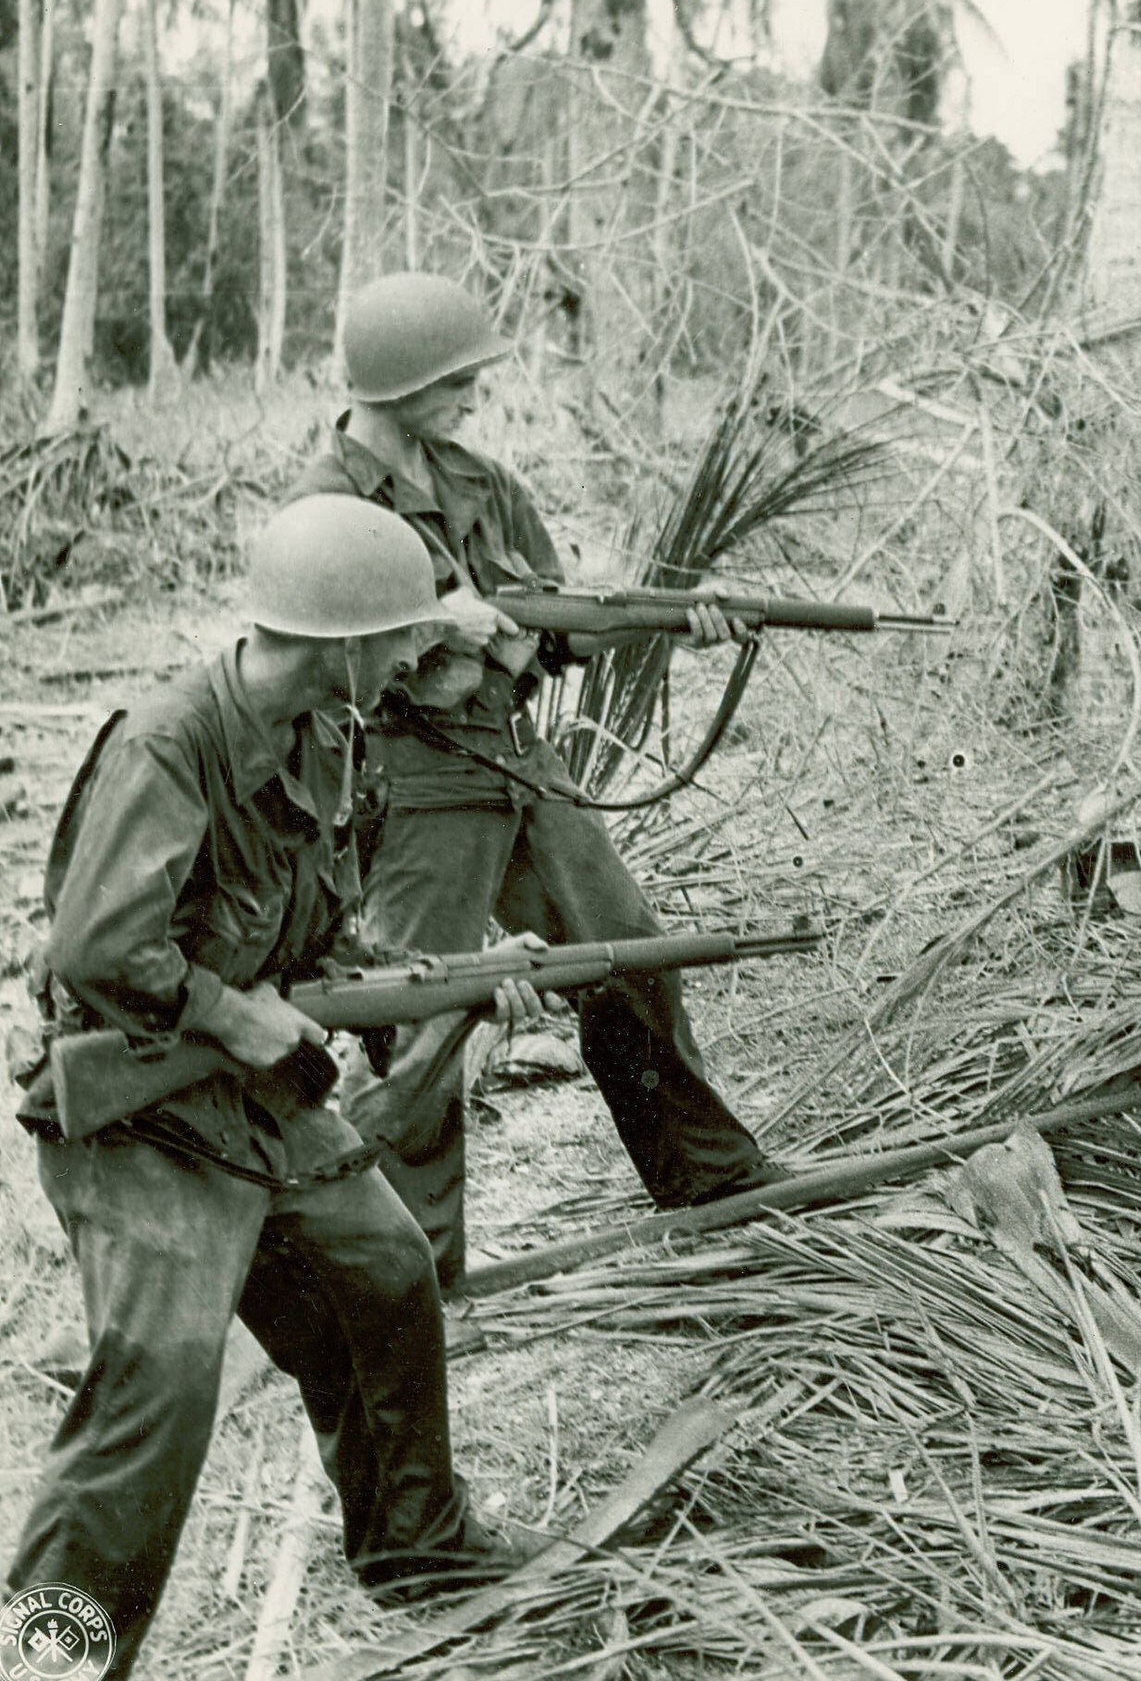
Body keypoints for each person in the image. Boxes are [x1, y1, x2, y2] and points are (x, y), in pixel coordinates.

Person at [7, 496, 532, 1679]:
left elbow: (319, 949)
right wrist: (234, 1011)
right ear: (341, 639)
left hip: (257, 1095)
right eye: (399, 637)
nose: (414, 657)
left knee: (388, 1270)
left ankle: (416, 1549)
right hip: (141, 1107)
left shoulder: (328, 734)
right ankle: (54, 1660)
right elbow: (100, 950)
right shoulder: (171, 740)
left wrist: (456, 982)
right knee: (161, 1386)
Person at [292, 271, 780, 1301]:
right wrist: (437, 624)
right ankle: (409, 1270)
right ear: (396, 380)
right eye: (457, 376)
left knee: (630, 952)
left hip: (515, 757)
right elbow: (315, 660)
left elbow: (558, 617)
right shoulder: (324, 504)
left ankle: (706, 1177)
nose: (475, 392)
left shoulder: (481, 482)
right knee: (421, 1015)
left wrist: (671, 619)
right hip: (409, 775)